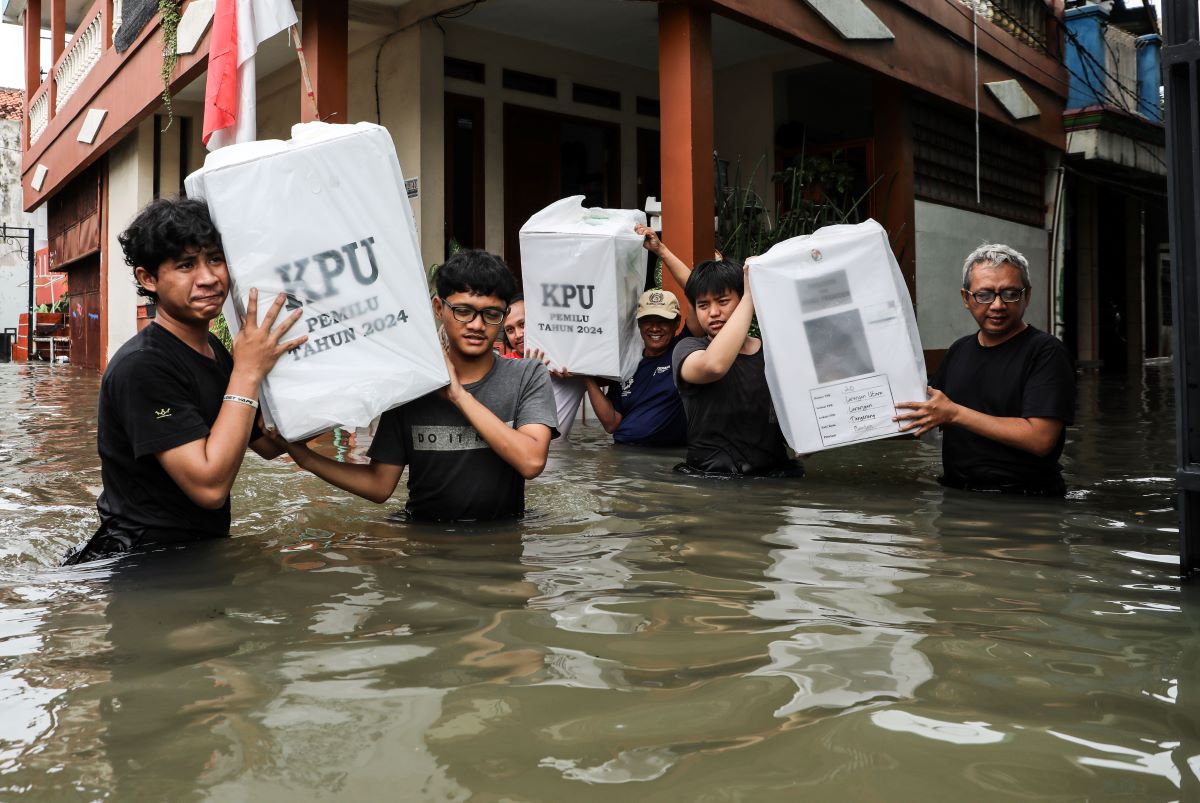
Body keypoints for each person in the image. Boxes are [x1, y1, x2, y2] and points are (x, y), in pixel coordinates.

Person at [65, 197, 306, 564]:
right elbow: (209, 487)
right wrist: (247, 372)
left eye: (214, 259)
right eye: (186, 265)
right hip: (143, 564)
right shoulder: (143, 366)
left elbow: (269, 445)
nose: (208, 278)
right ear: (149, 279)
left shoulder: (213, 349)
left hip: (195, 555)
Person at [280, 249, 558, 521]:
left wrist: (458, 395)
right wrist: (306, 458)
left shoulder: (528, 375)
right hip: (422, 546)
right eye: (463, 311)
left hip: (503, 546)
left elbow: (531, 461)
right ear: (439, 308)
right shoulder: (412, 386)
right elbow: (380, 485)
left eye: (491, 314)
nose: (476, 325)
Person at [894, 244, 1075, 496]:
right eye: (984, 294)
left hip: (1025, 504)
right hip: (957, 499)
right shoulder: (959, 350)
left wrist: (955, 413)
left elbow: (1041, 440)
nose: (998, 305)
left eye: (1010, 294)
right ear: (966, 298)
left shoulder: (1045, 352)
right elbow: (921, 416)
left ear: (1027, 296)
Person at [639, 225, 799, 476]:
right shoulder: (689, 350)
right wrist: (749, 294)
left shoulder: (773, 354)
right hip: (710, 482)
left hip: (773, 483)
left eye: (723, 302)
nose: (713, 312)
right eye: (703, 306)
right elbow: (714, 366)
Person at [579, 288, 688, 447]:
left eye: (663, 320)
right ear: (639, 324)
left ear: (677, 323)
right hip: (622, 453)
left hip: (667, 457)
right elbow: (611, 424)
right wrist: (585, 377)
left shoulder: (683, 349)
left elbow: (698, 292)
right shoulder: (628, 362)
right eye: (648, 320)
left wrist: (666, 260)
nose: (655, 328)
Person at [502, 293, 587, 438]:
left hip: (559, 456)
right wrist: (530, 372)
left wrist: (581, 373)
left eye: (523, 324)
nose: (517, 334)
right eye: (510, 330)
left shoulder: (570, 362)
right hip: (519, 452)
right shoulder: (504, 365)